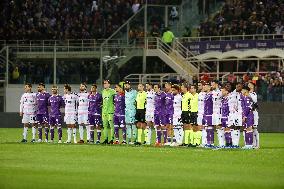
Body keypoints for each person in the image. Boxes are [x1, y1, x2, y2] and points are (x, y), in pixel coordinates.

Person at [102, 80, 116, 144]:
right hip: (104, 112)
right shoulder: (103, 92)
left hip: (110, 111)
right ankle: (105, 139)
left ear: (109, 84)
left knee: (111, 126)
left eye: (106, 83)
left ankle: (112, 139)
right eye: (104, 83)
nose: (104, 84)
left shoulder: (113, 91)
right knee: (105, 126)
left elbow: (116, 99)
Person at [241, 85, 254, 149]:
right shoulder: (245, 97)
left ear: (245, 90)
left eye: (242, 90)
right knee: (246, 129)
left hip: (249, 115)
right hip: (246, 115)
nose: (241, 91)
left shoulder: (248, 97)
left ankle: (250, 145)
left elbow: (248, 108)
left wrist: (245, 116)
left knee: (249, 129)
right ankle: (247, 144)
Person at [211, 80, 224, 147]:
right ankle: (220, 143)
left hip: (219, 111)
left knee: (220, 126)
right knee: (216, 127)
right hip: (214, 112)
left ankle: (222, 143)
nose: (211, 86)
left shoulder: (221, 92)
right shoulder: (212, 92)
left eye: (212, 84)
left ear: (216, 84)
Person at [248, 82, 259, 149]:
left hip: (254, 112)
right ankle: (251, 143)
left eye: (250, 85)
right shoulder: (245, 94)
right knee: (249, 128)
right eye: (248, 85)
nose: (249, 86)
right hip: (248, 113)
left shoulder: (254, 94)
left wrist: (248, 95)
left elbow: (254, 102)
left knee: (254, 128)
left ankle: (257, 144)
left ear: (253, 87)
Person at [197, 82, 206, 147]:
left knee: (204, 128)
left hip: (204, 113)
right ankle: (202, 142)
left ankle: (205, 142)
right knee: (200, 128)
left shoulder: (206, 94)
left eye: (200, 85)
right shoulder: (199, 94)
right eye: (198, 85)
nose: (198, 86)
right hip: (199, 113)